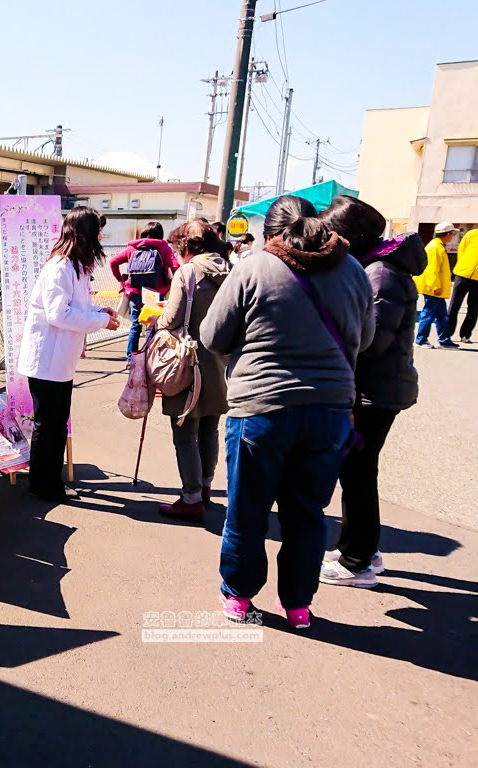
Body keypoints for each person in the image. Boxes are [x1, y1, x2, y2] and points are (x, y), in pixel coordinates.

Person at [201, 196, 374, 629]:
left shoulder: (254, 267)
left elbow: (212, 335)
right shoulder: (353, 270)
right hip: (330, 412)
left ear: (270, 234)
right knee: (307, 513)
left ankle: (239, 596)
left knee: (247, 510)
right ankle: (297, 605)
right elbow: (365, 338)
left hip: (261, 407)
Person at [318, 196, 424, 588]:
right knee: (359, 471)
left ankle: (356, 561)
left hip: (374, 391)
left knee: (358, 472)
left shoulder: (379, 274)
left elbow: (371, 341)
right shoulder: (380, 268)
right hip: (378, 388)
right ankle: (363, 549)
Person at [18, 207, 120, 502]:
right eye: (97, 229)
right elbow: (58, 314)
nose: (101, 236)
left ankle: (51, 481)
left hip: (59, 360)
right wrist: (100, 320)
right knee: (48, 425)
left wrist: (100, 312)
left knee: (56, 424)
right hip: (46, 360)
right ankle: (42, 484)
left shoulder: (76, 267)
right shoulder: (60, 267)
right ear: (85, 233)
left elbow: (75, 309)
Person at [154, 220, 230, 522]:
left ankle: (190, 497)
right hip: (220, 364)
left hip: (188, 363)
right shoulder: (231, 270)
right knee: (210, 428)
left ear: (186, 246)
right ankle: (206, 487)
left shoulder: (188, 273)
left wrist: (156, 318)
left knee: (185, 432)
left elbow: (170, 320)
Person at [108, 221, 180, 358]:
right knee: (151, 325)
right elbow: (176, 266)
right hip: (155, 292)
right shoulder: (163, 248)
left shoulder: (132, 248)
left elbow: (113, 262)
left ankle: (131, 357)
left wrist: (121, 279)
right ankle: (148, 356)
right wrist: (175, 283)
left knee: (135, 325)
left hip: (135, 292)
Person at [415, 221, 458, 349]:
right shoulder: (435, 247)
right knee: (429, 314)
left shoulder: (438, 246)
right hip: (434, 288)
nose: (453, 237)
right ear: (448, 234)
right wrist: (435, 286)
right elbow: (431, 269)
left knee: (441, 315)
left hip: (436, 287)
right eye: (452, 234)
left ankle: (444, 339)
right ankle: (421, 340)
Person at [448, 227, 478, 343]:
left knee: (474, 309)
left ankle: (465, 335)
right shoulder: (472, 234)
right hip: (462, 274)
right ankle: (447, 334)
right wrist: (464, 265)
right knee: (454, 305)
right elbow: (462, 249)